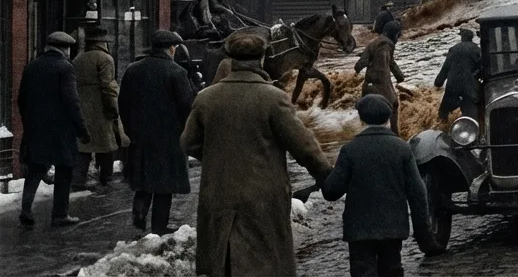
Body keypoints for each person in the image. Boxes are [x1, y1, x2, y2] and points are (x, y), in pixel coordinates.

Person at [182, 30, 333, 276]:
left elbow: (188, 143)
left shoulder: (206, 98)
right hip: (264, 197)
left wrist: (220, 157)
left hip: (219, 193)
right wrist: (326, 175)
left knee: (223, 258)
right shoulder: (274, 98)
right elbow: (304, 147)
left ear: (231, 60)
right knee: (265, 261)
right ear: (262, 59)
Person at [321, 95, 439, 275]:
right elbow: (417, 194)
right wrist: (424, 235)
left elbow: (331, 192)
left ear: (361, 118)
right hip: (393, 229)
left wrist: (323, 174)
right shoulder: (402, 148)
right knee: (392, 270)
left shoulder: (350, 150)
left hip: (359, 232)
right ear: (387, 118)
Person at [120, 30, 195, 234]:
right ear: (171, 48)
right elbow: (186, 107)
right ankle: (158, 228)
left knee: (144, 178)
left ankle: (139, 213)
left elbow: (123, 103)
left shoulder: (132, 69)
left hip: (140, 136)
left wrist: (130, 128)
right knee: (164, 185)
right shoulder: (176, 72)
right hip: (168, 137)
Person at [17, 32, 90, 228]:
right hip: (60, 129)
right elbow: (72, 102)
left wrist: (28, 121)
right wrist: (81, 128)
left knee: (35, 168)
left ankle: (26, 208)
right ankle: (60, 214)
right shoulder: (65, 68)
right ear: (65, 49)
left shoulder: (31, 66)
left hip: (36, 126)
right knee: (64, 169)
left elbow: (21, 99)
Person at [73, 26, 123, 188]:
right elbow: (108, 87)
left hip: (81, 108)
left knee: (83, 146)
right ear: (103, 43)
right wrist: (112, 109)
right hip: (100, 109)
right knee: (107, 144)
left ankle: (78, 179)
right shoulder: (105, 59)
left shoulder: (78, 59)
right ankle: (106, 178)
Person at [356, 36, 405, 137]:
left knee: (368, 111)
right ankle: (395, 135)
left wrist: (357, 67)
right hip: (382, 87)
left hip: (368, 87)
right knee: (394, 104)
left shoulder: (371, 44)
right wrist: (400, 77)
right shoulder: (387, 45)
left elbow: (362, 63)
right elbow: (390, 62)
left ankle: (367, 133)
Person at [434, 29, 484, 122]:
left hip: (453, 85)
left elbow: (446, 67)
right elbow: (482, 68)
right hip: (470, 87)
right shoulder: (477, 49)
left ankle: (442, 129)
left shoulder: (454, 49)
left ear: (462, 38)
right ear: (471, 38)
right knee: (471, 116)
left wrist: (438, 82)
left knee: (443, 113)